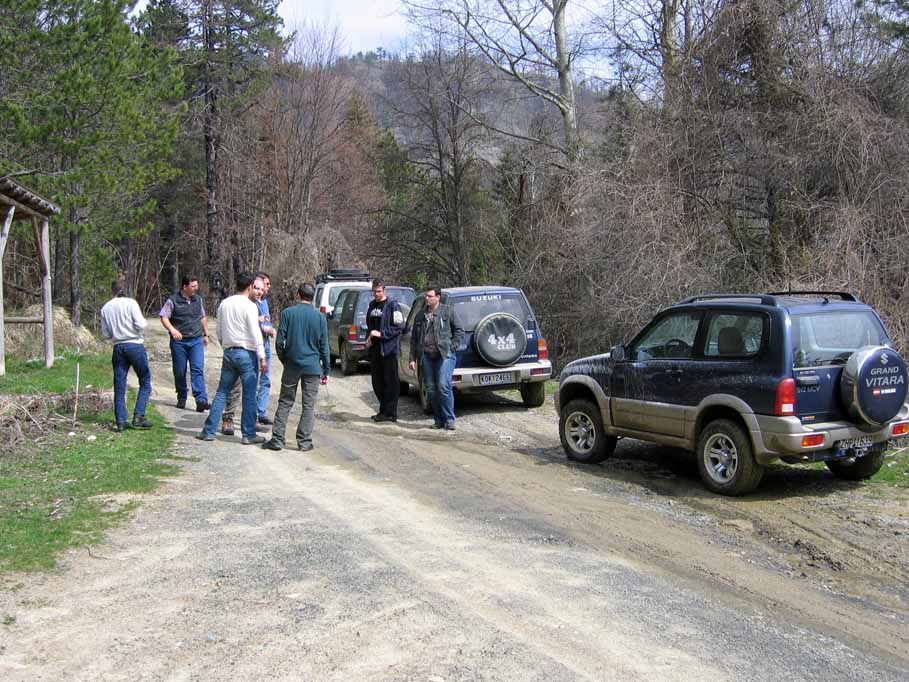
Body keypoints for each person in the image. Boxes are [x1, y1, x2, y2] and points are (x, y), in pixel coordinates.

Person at [197, 273, 267, 445]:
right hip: (246, 353)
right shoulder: (250, 306)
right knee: (249, 395)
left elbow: (219, 330)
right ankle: (248, 434)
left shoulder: (224, 304)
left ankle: (208, 431)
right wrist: (262, 357)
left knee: (222, 392)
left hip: (229, 352)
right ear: (250, 286)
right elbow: (255, 332)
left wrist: (225, 345)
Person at [262, 284, 330, 452]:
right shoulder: (320, 317)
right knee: (308, 405)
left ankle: (277, 439)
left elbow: (279, 342)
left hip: (292, 365)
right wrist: (326, 370)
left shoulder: (287, 314)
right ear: (312, 297)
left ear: (298, 295)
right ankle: (304, 441)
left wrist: (286, 360)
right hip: (313, 367)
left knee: (285, 402)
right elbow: (324, 346)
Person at [99, 280, 152, 432]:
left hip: (118, 347)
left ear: (112, 291)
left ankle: (121, 421)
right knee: (145, 379)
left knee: (120, 385)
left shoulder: (105, 308)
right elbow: (141, 324)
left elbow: (105, 334)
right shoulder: (131, 303)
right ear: (124, 289)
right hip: (134, 344)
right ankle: (138, 415)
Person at [409, 287, 464, 430]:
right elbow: (414, 339)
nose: (427, 299)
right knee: (431, 389)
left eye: (430, 296)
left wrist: (453, 346)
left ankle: (449, 419)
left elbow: (459, 330)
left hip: (445, 355)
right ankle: (438, 420)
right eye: (426, 296)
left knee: (443, 385)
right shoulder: (420, 315)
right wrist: (412, 358)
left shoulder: (448, 311)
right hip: (426, 355)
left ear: (438, 297)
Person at [221, 274, 269, 436]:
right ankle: (228, 418)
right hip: (242, 349)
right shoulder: (244, 304)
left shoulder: (263, 304)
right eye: (257, 288)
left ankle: (251, 420)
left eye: (263, 288)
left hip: (257, 349)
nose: (260, 291)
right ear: (250, 287)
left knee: (253, 388)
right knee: (234, 386)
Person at [159, 275, 210, 412]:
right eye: (193, 286)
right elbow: (164, 316)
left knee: (197, 369)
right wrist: (172, 330)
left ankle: (201, 399)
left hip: (196, 340)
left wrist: (206, 334)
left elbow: (203, 317)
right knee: (180, 371)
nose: (196, 288)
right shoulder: (173, 300)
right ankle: (182, 396)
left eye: (196, 286)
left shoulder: (198, 300)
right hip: (179, 342)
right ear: (185, 287)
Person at [366, 277, 406, 422]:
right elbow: (370, 326)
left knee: (391, 382)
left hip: (389, 350)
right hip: (375, 350)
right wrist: (369, 339)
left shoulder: (392, 305)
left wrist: (382, 334)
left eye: (378, 291)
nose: (376, 294)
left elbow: (399, 326)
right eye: (374, 291)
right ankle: (383, 410)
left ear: (384, 290)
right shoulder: (372, 305)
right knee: (377, 382)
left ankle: (391, 413)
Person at [255, 271, 276, 424]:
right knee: (251, 381)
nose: (267, 288)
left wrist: (270, 328)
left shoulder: (265, 302)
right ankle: (251, 415)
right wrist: (260, 323)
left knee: (266, 380)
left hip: (266, 345)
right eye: (266, 284)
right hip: (254, 346)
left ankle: (261, 412)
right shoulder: (250, 302)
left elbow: (266, 321)